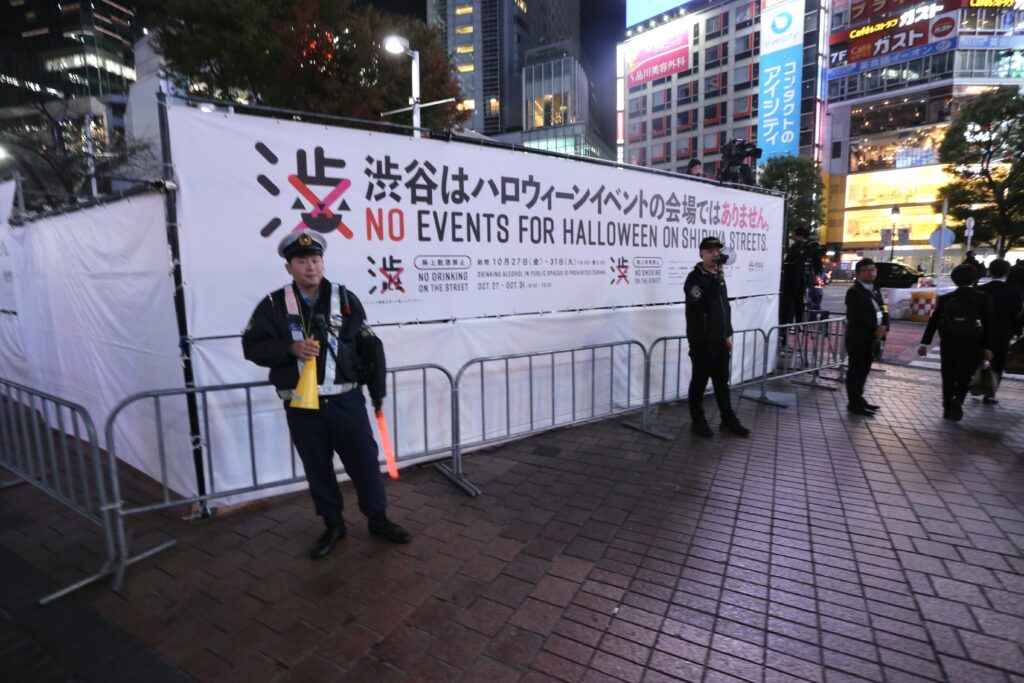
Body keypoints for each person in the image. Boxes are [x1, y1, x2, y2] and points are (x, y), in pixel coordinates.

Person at [242, 229, 411, 559]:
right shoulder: (274, 305)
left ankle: (378, 519)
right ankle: (333, 525)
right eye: (302, 261)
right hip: (302, 406)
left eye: (316, 260)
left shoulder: (344, 299)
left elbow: (369, 346)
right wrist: (288, 348)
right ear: (289, 267)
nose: (311, 267)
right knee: (317, 467)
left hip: (347, 401)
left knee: (363, 464)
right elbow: (252, 346)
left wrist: (377, 393)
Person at [685, 236, 750, 438]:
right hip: (702, 341)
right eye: (710, 251)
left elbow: (724, 308)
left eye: (717, 251)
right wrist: (717, 278)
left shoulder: (719, 279)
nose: (715, 254)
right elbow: (701, 302)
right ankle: (698, 421)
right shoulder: (694, 279)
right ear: (701, 253)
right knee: (699, 382)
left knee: (722, 383)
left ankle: (728, 420)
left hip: (720, 340)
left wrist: (727, 333)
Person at [917, 264, 994, 421]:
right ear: (974, 279)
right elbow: (988, 324)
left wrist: (925, 343)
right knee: (966, 373)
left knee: (948, 373)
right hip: (973, 342)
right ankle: (958, 399)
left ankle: (946, 407)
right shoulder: (983, 298)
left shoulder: (947, 298)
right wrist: (987, 347)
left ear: (954, 279)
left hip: (949, 341)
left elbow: (934, 321)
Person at [844, 258, 888, 416]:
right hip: (858, 338)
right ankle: (854, 402)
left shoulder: (875, 290)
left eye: (873, 269)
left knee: (865, 369)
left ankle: (859, 398)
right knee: (856, 370)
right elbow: (856, 316)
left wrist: (884, 326)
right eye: (866, 270)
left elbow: (883, 310)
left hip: (873, 338)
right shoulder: (854, 292)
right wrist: (875, 329)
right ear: (858, 273)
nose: (871, 272)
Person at [976, 259, 1022, 404]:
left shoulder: (981, 289)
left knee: (978, 359)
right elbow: (1017, 314)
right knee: (998, 362)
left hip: (981, 330)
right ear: (1007, 272)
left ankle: (974, 384)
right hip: (1003, 331)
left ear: (989, 270)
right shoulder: (1015, 292)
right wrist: (1018, 331)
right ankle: (990, 393)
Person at [780, 227, 823, 327]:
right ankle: (789, 320)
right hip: (791, 273)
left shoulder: (810, 247)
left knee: (798, 298)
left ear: (800, 236)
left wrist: (816, 275)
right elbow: (788, 259)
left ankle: (799, 321)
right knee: (790, 298)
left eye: (795, 235)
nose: (794, 236)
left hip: (802, 275)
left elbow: (817, 263)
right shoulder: (794, 246)